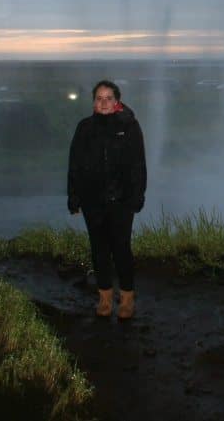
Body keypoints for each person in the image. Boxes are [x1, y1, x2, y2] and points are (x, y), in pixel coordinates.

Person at [67, 80, 147, 319]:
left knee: (121, 250)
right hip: (93, 202)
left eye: (108, 98)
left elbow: (138, 165)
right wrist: (74, 197)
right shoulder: (84, 128)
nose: (103, 102)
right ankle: (104, 299)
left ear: (117, 101)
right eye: (99, 98)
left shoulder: (130, 127)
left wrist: (137, 196)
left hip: (121, 201)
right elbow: (75, 165)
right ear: (94, 102)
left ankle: (127, 299)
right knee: (99, 250)